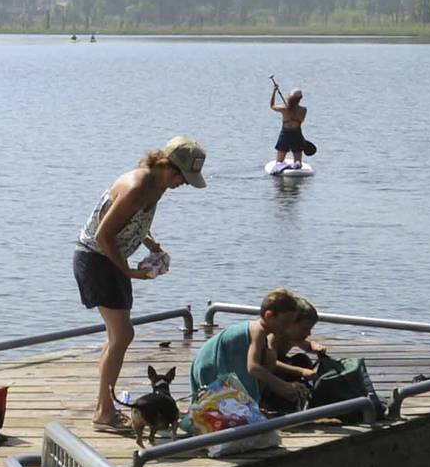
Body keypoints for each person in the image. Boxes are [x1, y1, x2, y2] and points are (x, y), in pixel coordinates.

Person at [74, 136, 206, 434]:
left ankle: (103, 408)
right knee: (123, 334)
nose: (183, 184)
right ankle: (104, 413)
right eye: (182, 177)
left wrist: (150, 243)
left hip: (109, 261)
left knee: (116, 338)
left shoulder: (157, 185)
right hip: (97, 260)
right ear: (167, 165)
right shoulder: (137, 187)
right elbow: (103, 235)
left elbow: (131, 222)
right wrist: (129, 273)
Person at [190, 288, 323, 414]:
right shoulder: (258, 331)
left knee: (269, 357)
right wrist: (282, 386)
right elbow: (253, 368)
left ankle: (254, 404)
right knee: (267, 360)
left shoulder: (265, 332)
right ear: (269, 315)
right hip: (209, 364)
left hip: (228, 361)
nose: (287, 327)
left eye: (291, 323)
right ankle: (252, 406)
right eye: (285, 322)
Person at [269, 80, 313, 170]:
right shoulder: (303, 110)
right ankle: (297, 164)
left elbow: (272, 106)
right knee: (298, 159)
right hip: (297, 134)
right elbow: (302, 121)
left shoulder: (284, 108)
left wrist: (274, 92)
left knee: (279, 161)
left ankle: (281, 165)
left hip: (285, 134)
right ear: (300, 98)